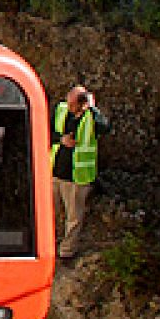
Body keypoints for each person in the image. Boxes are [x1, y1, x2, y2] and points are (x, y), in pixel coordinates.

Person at [50, 84, 110, 258]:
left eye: (73, 105)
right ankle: (50, 245)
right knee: (51, 213)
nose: (69, 107)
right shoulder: (61, 110)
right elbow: (47, 131)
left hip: (77, 178)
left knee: (73, 218)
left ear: (82, 104)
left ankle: (66, 252)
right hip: (55, 172)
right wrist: (61, 139)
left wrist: (92, 108)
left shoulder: (92, 118)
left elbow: (105, 127)